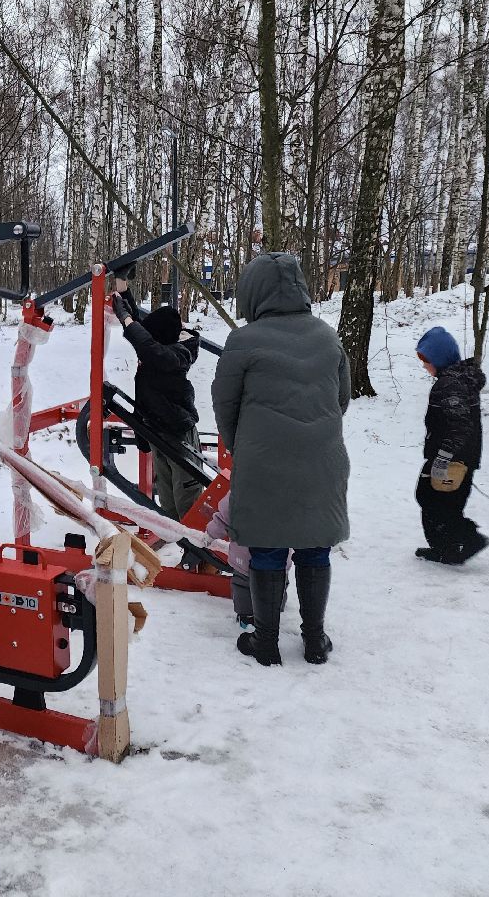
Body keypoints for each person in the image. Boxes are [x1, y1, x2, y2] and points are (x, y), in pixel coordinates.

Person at [211, 252, 350, 667]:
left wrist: (245, 446)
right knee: (314, 547)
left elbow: (224, 404)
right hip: (322, 461)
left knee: (267, 547)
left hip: (263, 462)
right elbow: (341, 397)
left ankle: (266, 641)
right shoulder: (327, 336)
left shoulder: (243, 341)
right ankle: (313, 641)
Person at [110, 279, 204, 523]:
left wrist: (126, 321)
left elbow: (148, 345)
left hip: (178, 431)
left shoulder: (178, 353)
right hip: (157, 432)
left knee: (188, 498)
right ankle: (180, 544)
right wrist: (124, 290)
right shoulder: (163, 341)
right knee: (168, 500)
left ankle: (201, 554)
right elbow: (146, 331)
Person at [414, 326, 489, 564]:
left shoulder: (449, 385)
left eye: (426, 360)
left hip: (452, 459)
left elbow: (459, 427)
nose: (424, 366)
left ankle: (466, 539)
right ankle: (448, 548)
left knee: (432, 499)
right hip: (462, 457)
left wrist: (443, 457)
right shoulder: (457, 380)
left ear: (439, 358)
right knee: (444, 502)